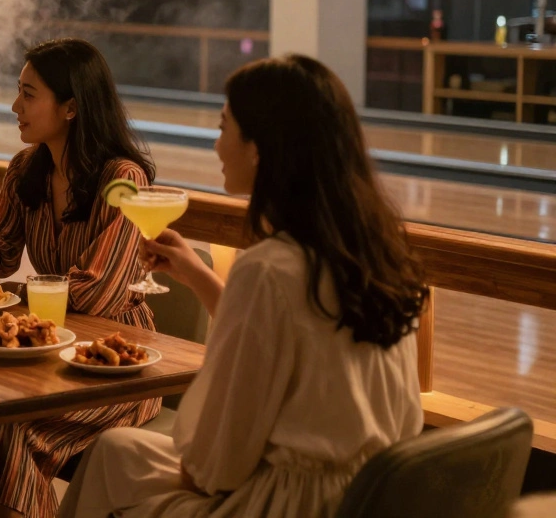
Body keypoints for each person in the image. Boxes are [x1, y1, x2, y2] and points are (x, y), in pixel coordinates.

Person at [57, 55, 426, 518]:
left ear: (259, 148)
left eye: (223, 126)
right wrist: (194, 271)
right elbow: (288, 331)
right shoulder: (375, 254)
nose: (216, 144)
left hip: (288, 503)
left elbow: (214, 467)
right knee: (116, 451)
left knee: (118, 470)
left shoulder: (269, 269)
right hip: (370, 494)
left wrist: (197, 467)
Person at [0, 37, 161, 518]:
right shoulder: (28, 167)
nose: (15, 106)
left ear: (70, 108)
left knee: (0, 428)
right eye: (17, 91)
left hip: (115, 364)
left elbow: (100, 294)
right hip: (50, 349)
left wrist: (20, 294)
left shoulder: (122, 179)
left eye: (28, 94)